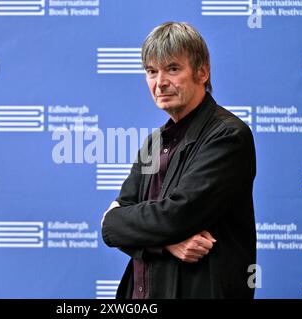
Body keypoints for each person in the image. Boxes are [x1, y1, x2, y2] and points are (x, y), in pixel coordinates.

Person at [101, 22, 257, 299]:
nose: (160, 82)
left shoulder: (229, 136)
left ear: (202, 71)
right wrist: (165, 244)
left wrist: (118, 220)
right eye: (151, 71)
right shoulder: (154, 142)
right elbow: (113, 228)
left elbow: (175, 216)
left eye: (172, 69)